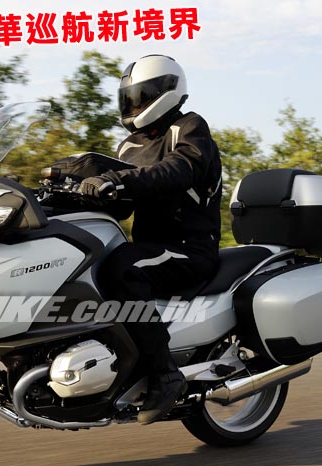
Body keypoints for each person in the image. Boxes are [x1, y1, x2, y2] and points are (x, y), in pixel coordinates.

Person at [78, 54, 223, 424]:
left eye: (141, 97)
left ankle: (164, 373)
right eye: (129, 99)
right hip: (150, 249)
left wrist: (118, 180)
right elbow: (122, 207)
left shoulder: (189, 128)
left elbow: (177, 171)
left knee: (121, 268)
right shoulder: (129, 146)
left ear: (167, 91)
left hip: (188, 249)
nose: (133, 106)